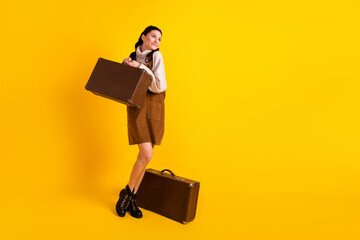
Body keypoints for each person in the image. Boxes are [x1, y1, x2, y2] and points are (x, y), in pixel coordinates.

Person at [115, 25, 167, 218]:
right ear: (143, 37)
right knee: (146, 154)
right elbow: (123, 86)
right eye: (153, 36)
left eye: (160, 39)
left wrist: (142, 67)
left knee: (145, 157)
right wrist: (125, 68)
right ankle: (128, 194)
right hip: (137, 107)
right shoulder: (131, 57)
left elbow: (160, 86)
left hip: (154, 105)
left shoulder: (156, 57)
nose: (156, 41)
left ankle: (130, 197)